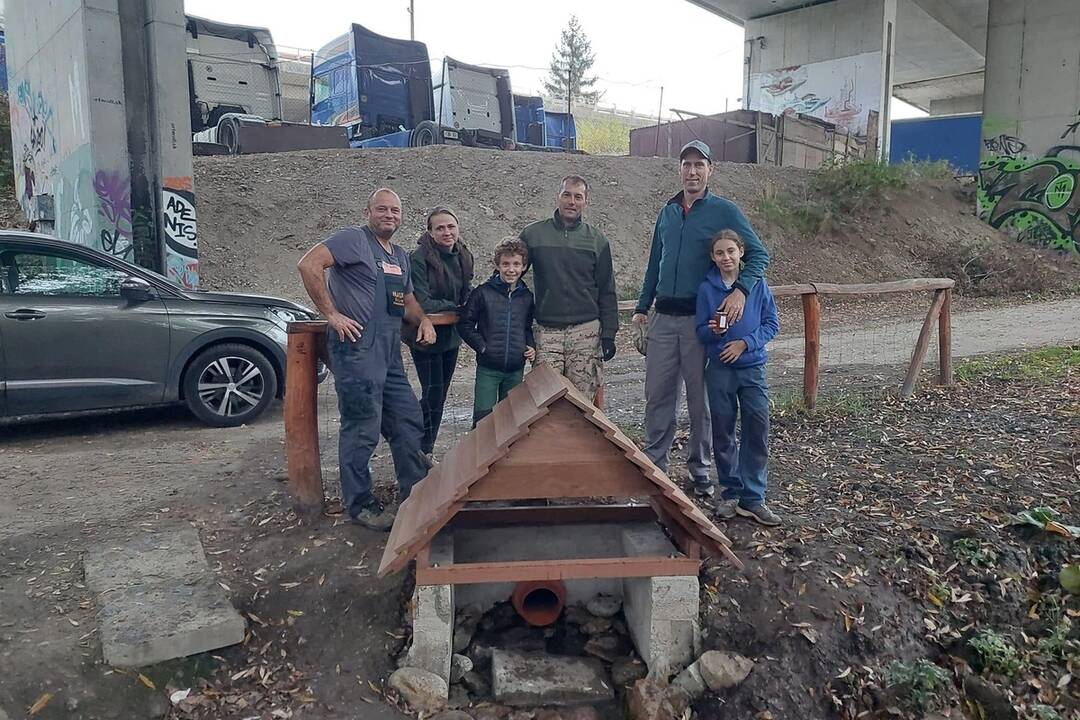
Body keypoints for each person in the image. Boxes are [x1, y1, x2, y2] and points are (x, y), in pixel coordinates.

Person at [632, 140, 769, 498]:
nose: (692, 171)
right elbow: (654, 263)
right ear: (679, 169)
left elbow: (759, 255)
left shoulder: (724, 211)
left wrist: (740, 290)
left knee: (700, 400)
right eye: (686, 164)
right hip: (663, 317)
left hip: (700, 320)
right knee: (658, 396)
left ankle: (701, 469)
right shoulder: (668, 211)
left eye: (699, 165)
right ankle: (655, 467)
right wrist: (641, 308)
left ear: (711, 170)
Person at [297, 188, 435, 531]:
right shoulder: (352, 240)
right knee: (362, 428)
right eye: (382, 209)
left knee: (408, 418)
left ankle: (416, 494)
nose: (389, 215)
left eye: (396, 210)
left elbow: (409, 301)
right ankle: (360, 505)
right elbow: (309, 265)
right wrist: (331, 314)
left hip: (389, 351)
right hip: (356, 348)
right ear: (368, 211)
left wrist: (425, 320)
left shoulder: (401, 256)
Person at [695, 230, 780, 525]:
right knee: (723, 430)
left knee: (758, 426)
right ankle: (731, 492)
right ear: (713, 258)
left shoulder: (756, 285)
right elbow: (701, 331)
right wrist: (714, 333)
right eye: (720, 253)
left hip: (752, 367)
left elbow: (772, 323)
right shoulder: (707, 289)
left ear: (741, 252)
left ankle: (753, 497)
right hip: (719, 370)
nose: (726, 257)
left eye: (731, 251)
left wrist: (745, 343)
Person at [520, 175, 618, 401]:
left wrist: (609, 334)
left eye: (578, 197)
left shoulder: (597, 240)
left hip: (586, 333)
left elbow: (607, 289)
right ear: (558, 197)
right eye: (567, 195)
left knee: (582, 406)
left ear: (586, 202)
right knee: (545, 402)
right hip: (547, 333)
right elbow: (511, 271)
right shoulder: (533, 235)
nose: (571, 201)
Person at [407, 206, 475, 461]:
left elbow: (466, 290)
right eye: (440, 228)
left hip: (451, 337)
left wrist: (469, 304)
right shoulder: (419, 258)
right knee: (432, 393)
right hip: (425, 337)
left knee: (441, 394)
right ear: (430, 232)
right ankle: (419, 448)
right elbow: (421, 300)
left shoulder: (463, 255)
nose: (447, 232)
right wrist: (457, 308)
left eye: (451, 227)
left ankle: (425, 449)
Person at [457, 238, 536, 425]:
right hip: (488, 368)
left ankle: (508, 456)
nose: (511, 269)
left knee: (511, 420)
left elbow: (527, 327)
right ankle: (480, 455)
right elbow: (465, 324)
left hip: (516, 370)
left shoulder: (527, 297)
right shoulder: (482, 293)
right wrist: (483, 347)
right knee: (483, 419)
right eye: (506, 264)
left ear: (524, 266)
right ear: (497, 265)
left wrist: (530, 346)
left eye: (516, 264)